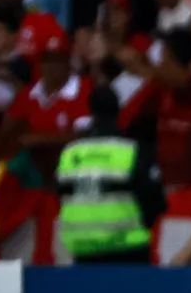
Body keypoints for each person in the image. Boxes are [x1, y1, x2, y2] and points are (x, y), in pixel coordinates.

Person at [55, 86, 167, 264]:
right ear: (118, 110)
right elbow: (155, 201)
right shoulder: (132, 151)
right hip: (127, 249)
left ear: (90, 111)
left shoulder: (70, 154)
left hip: (83, 249)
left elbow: (61, 197)